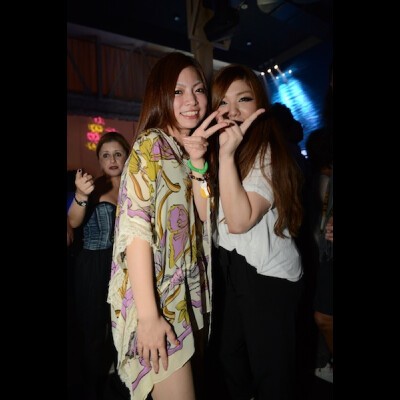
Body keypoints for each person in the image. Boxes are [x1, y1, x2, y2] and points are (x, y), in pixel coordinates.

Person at [107, 52, 228, 400]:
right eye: (178, 91)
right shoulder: (151, 145)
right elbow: (135, 232)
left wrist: (199, 163)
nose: (192, 100)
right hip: (157, 301)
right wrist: (148, 317)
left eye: (198, 90)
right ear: (159, 95)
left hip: (182, 296)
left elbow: (204, 213)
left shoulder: (183, 149)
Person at [207, 64, 305, 400]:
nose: (232, 110)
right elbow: (208, 213)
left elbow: (239, 221)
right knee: (228, 355)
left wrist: (225, 156)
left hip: (268, 275)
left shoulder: (267, 153)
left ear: (260, 104)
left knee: (271, 370)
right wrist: (199, 161)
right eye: (223, 102)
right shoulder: (223, 149)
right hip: (233, 265)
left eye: (243, 99)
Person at [68, 131, 131, 400]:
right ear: (99, 160)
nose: (112, 160)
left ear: (127, 156)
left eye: (117, 154)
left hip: (123, 267)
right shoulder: (92, 187)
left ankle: (117, 386)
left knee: (121, 330)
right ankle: (91, 390)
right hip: (93, 266)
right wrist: (81, 194)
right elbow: (73, 221)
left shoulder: (134, 187)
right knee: (93, 331)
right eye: (106, 155)